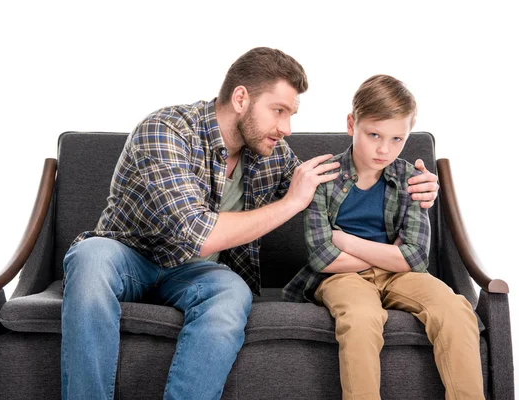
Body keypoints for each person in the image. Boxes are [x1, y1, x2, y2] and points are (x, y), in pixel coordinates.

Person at [60, 49, 440, 400]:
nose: (286, 127)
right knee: (91, 258)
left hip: (193, 274)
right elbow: (197, 234)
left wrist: (417, 187)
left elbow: (331, 189)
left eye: (291, 114)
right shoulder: (166, 131)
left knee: (232, 292)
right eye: (278, 111)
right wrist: (292, 201)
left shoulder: (269, 153)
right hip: (127, 257)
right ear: (241, 99)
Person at [282, 74, 483, 399]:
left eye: (396, 139)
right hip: (342, 276)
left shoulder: (412, 179)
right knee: (362, 317)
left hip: (400, 275)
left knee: (456, 310)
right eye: (373, 134)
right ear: (352, 124)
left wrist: (347, 242)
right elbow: (323, 258)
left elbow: (417, 258)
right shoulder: (323, 177)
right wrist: (392, 254)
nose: (383, 149)